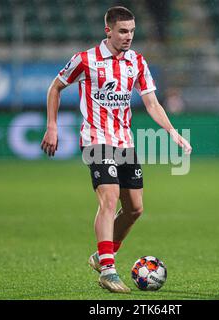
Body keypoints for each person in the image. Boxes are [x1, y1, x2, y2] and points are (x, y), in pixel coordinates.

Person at [40, 6, 192, 293]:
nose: (128, 37)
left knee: (134, 209)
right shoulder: (85, 60)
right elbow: (55, 88)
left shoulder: (137, 62)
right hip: (96, 139)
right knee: (109, 199)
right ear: (107, 30)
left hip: (125, 142)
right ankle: (108, 270)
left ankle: (102, 256)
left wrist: (173, 132)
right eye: (123, 31)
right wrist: (52, 125)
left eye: (132, 31)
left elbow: (152, 103)